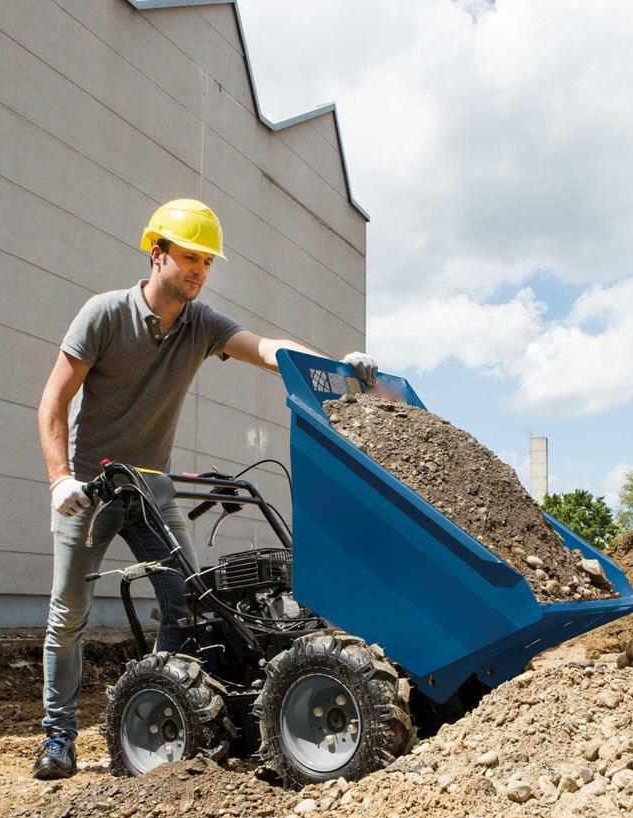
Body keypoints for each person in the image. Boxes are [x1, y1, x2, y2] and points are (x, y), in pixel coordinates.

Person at [33, 198, 378, 780]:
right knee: (68, 613)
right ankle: (57, 739)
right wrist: (59, 478)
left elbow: (267, 351)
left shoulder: (201, 324)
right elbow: (54, 401)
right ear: (157, 253)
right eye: (189, 257)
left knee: (188, 604)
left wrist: (339, 368)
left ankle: (173, 712)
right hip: (91, 487)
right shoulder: (104, 315)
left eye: (207, 262)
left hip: (152, 486)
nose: (198, 270)